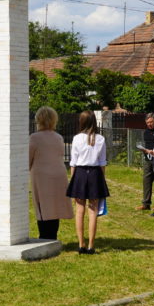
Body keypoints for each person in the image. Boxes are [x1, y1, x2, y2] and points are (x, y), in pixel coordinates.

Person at [66, 110, 109, 254]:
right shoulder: (101, 139)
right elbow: (102, 162)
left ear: (82, 122)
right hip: (95, 173)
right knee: (93, 211)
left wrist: (73, 181)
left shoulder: (77, 138)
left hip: (80, 173)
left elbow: (73, 162)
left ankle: (81, 244)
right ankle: (91, 245)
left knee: (79, 211)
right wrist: (101, 180)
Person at [29, 106, 73, 240]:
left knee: (42, 206)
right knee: (55, 207)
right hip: (58, 174)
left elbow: (28, 158)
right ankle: (52, 236)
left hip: (41, 176)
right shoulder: (58, 137)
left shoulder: (34, 138)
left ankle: (44, 236)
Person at [136, 113, 154, 211]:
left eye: (151, 122)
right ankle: (146, 203)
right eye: (147, 122)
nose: (149, 124)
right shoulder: (145, 132)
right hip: (147, 160)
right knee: (146, 182)